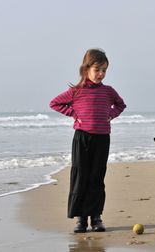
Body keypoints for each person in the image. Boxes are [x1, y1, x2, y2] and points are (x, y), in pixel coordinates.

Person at [49, 48, 126, 233]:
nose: (101, 74)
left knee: (97, 177)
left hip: (102, 138)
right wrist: (74, 113)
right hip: (82, 138)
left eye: (104, 70)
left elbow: (121, 105)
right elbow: (54, 103)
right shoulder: (76, 92)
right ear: (86, 69)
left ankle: (96, 217)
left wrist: (110, 115)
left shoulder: (108, 91)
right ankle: (81, 220)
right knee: (81, 176)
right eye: (97, 69)